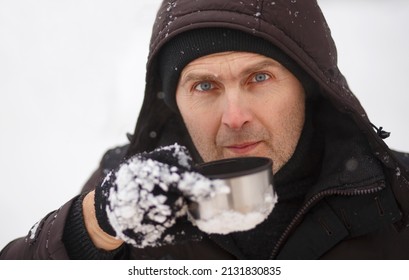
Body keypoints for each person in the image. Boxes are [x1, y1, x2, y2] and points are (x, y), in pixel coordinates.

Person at [1, 0, 409, 260]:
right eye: (204, 86)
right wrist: (89, 227)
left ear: (308, 86)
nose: (234, 117)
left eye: (259, 78)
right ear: (173, 101)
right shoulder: (128, 191)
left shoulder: (396, 197)